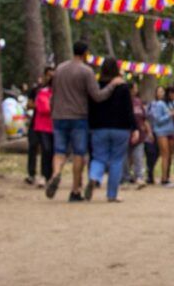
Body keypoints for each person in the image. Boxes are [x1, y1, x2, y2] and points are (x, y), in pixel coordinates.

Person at [46, 41, 122, 201]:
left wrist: (53, 111)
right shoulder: (86, 71)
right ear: (85, 53)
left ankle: (56, 173)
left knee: (59, 151)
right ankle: (75, 190)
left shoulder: (59, 69)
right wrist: (112, 86)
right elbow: (97, 96)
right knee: (78, 153)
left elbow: (54, 94)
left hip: (59, 115)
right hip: (78, 116)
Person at [86, 59, 138, 202]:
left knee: (98, 157)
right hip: (121, 128)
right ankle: (111, 194)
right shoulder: (123, 87)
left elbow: (91, 107)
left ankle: (94, 177)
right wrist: (134, 128)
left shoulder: (96, 86)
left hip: (99, 127)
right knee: (116, 160)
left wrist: (90, 125)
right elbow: (129, 110)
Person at [25, 67, 54, 188]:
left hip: (49, 124)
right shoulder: (37, 89)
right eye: (48, 75)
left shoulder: (55, 91)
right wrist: (40, 104)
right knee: (33, 146)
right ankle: (31, 173)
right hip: (36, 123)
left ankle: (45, 174)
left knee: (46, 150)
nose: (50, 78)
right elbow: (29, 104)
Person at [148, 86, 174, 185]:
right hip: (161, 131)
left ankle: (167, 176)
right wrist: (169, 115)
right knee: (165, 154)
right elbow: (158, 120)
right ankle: (164, 178)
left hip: (172, 131)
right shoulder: (159, 104)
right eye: (173, 93)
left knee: (170, 155)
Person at [127, 83, 149, 188]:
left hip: (140, 133)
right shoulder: (124, 101)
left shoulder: (138, 101)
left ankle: (139, 177)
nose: (136, 90)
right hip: (127, 133)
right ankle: (125, 177)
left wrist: (148, 131)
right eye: (135, 88)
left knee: (138, 156)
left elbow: (144, 118)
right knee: (126, 157)